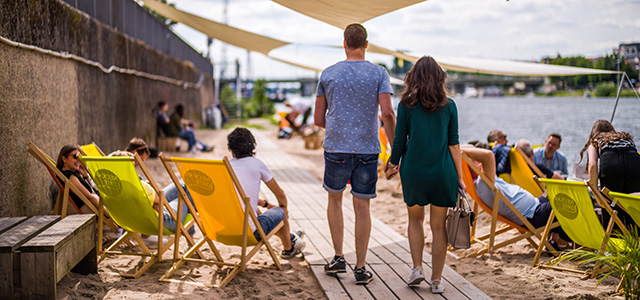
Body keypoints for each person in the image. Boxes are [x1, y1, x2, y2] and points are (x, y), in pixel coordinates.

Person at [314, 23, 396, 285]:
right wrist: (395, 150)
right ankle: (360, 267)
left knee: (334, 200)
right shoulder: (379, 73)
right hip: (367, 149)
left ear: (345, 44)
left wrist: (339, 128)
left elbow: (318, 118)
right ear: (366, 44)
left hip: (336, 147)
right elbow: (387, 113)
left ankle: (338, 258)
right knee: (362, 207)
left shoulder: (328, 73)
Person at [385, 56, 462, 293]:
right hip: (442, 173)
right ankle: (437, 280)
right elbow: (454, 144)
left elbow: (399, 140)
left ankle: (417, 269)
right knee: (439, 227)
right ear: (440, 78)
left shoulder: (405, 105)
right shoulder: (449, 105)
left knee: (415, 220)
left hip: (414, 172)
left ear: (413, 77)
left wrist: (392, 163)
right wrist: (458, 177)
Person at [461, 145, 570, 248]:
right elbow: (488, 155)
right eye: (476, 161)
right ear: (472, 168)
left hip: (534, 206)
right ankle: (561, 244)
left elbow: (474, 150)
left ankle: (554, 238)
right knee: (569, 203)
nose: (479, 162)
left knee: (558, 192)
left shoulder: (484, 180)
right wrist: (456, 148)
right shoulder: (483, 183)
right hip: (532, 216)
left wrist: (455, 146)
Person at [227, 127, 305, 258]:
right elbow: (280, 194)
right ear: (251, 146)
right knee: (281, 210)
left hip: (223, 231)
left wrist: (264, 203)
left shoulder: (225, 166)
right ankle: (288, 248)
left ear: (231, 149)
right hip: (249, 234)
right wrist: (283, 209)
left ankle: (291, 236)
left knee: (254, 210)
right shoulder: (256, 164)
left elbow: (238, 196)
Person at [109, 138, 197, 244]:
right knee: (184, 195)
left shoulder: (111, 186)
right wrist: (155, 201)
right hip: (163, 222)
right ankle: (193, 235)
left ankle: (191, 238)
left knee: (182, 188)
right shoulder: (141, 187)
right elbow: (161, 201)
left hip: (135, 222)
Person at [578, 120, 640, 227]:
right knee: (633, 208)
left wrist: (597, 194)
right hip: (635, 167)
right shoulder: (627, 139)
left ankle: (615, 239)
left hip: (612, 169)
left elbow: (592, 165)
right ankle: (634, 240)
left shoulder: (596, 141)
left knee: (612, 208)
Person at [56, 145, 109, 217]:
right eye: (75, 157)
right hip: (92, 207)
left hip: (96, 203)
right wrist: (109, 215)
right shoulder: (69, 177)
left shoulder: (73, 174)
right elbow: (90, 197)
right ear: (64, 159)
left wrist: (85, 175)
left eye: (79, 157)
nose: (78, 160)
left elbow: (91, 189)